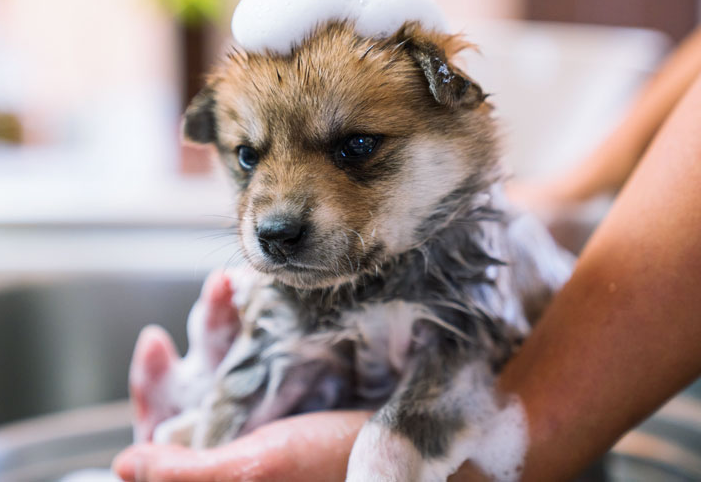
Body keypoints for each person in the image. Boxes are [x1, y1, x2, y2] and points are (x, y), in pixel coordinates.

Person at [112, 26, 701, 482]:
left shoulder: (481, 260)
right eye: (249, 156)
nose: (274, 214)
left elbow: (471, 389)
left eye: (357, 147)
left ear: (455, 112)